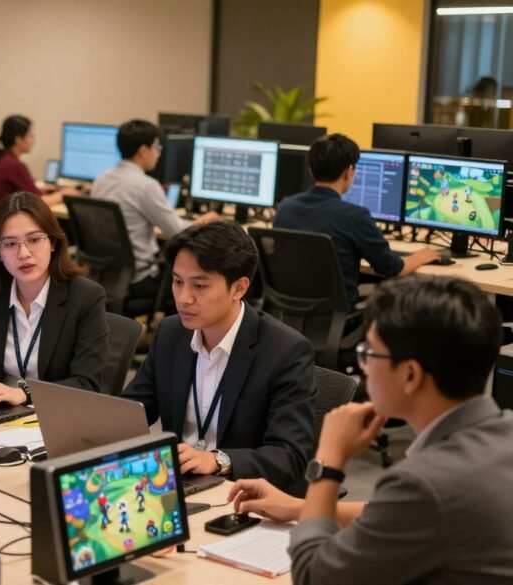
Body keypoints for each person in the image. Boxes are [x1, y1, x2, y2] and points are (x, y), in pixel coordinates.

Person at [228, 275, 513, 584]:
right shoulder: (502, 433)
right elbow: (401, 515)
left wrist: (328, 461)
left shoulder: (426, 482)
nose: (364, 368)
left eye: (370, 355)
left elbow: (314, 576)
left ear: (410, 375)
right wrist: (301, 507)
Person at [120, 221, 315, 491]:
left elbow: (289, 457)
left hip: (240, 492)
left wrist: (217, 460)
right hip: (179, 484)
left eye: (199, 286)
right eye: (177, 282)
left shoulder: (285, 351)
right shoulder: (171, 333)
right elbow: (132, 410)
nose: (184, 298)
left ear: (239, 288)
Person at [0, 191, 109, 406]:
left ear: (52, 243)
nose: (23, 253)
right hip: (1, 417)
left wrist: (26, 393)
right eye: (10, 244)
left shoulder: (86, 297)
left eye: (34, 240)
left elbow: (87, 383)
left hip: (56, 417)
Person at [273, 133, 440, 314]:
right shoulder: (355, 216)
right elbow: (392, 268)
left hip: (289, 314)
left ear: (311, 170)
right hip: (339, 319)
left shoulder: (285, 208)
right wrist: (419, 257)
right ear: (349, 172)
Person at [91, 119, 218, 301]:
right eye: (157, 148)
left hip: (107, 275)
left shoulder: (101, 179)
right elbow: (178, 232)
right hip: (140, 279)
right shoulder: (146, 186)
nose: (158, 154)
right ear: (143, 151)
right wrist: (207, 219)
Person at [0, 115, 78, 205]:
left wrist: (49, 190)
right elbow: (38, 202)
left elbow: (25, 191)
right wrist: (64, 194)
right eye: (31, 136)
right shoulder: (14, 165)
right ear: (18, 139)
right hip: (9, 218)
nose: (33, 141)